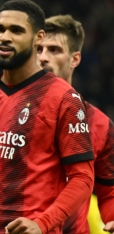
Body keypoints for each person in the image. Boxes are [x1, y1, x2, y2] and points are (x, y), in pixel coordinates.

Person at [0, 0, 95, 234]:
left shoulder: (63, 98)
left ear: (38, 37)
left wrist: (42, 223)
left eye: (16, 30)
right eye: (0, 29)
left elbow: (82, 179)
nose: (5, 37)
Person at [37, 14, 114, 234]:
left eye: (54, 50)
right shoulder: (9, 111)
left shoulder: (99, 124)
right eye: (39, 49)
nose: (43, 58)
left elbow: (108, 192)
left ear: (75, 59)